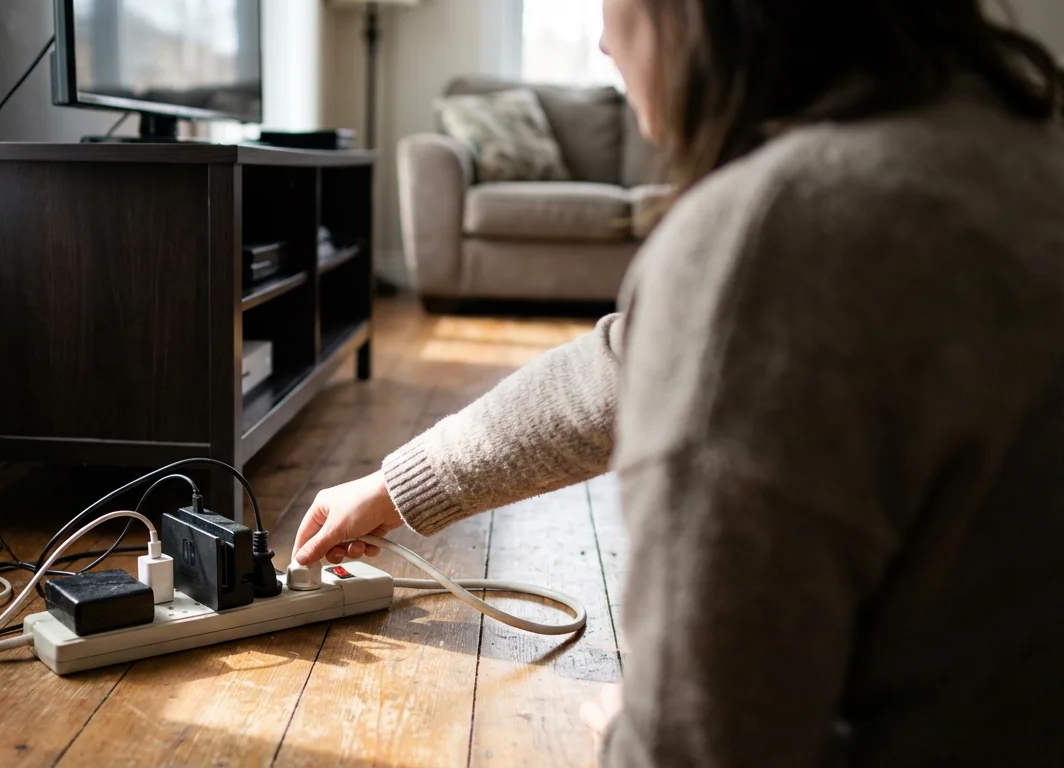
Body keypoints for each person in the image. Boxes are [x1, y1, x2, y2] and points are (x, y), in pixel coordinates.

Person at [291, 0, 1064, 765]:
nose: (600, 38)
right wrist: (397, 485)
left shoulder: (778, 236)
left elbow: (707, 746)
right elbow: (618, 369)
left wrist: (654, 721)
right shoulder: (1021, 151)